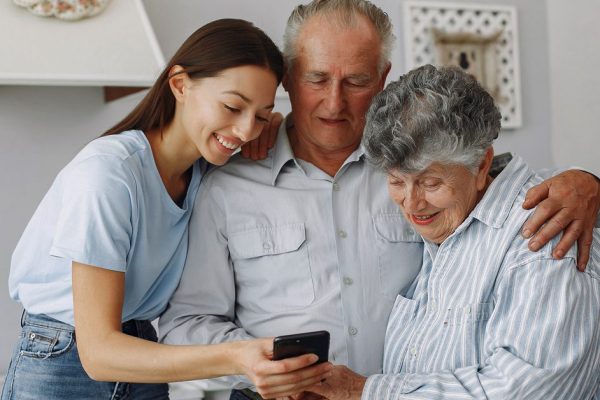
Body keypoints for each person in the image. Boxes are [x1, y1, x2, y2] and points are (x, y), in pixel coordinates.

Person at [158, 1, 600, 398]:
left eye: (356, 80)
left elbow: (500, 192)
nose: (334, 103)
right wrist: (257, 366)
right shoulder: (226, 184)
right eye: (316, 79)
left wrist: (588, 181)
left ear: (383, 78)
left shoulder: (411, 159)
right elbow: (185, 326)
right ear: (288, 78)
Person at [3, 19, 332, 400]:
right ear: (179, 84)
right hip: (64, 360)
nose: (245, 131)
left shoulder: (204, 172)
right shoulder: (109, 174)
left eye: (259, 115)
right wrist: (238, 356)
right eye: (231, 106)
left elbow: (261, 126)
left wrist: (274, 125)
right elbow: (98, 353)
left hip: (144, 350)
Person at [304, 64, 600, 400]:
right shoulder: (447, 224)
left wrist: (366, 391)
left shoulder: (543, 237)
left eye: (431, 183)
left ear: (481, 166)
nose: (412, 204)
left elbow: (529, 390)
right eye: (397, 181)